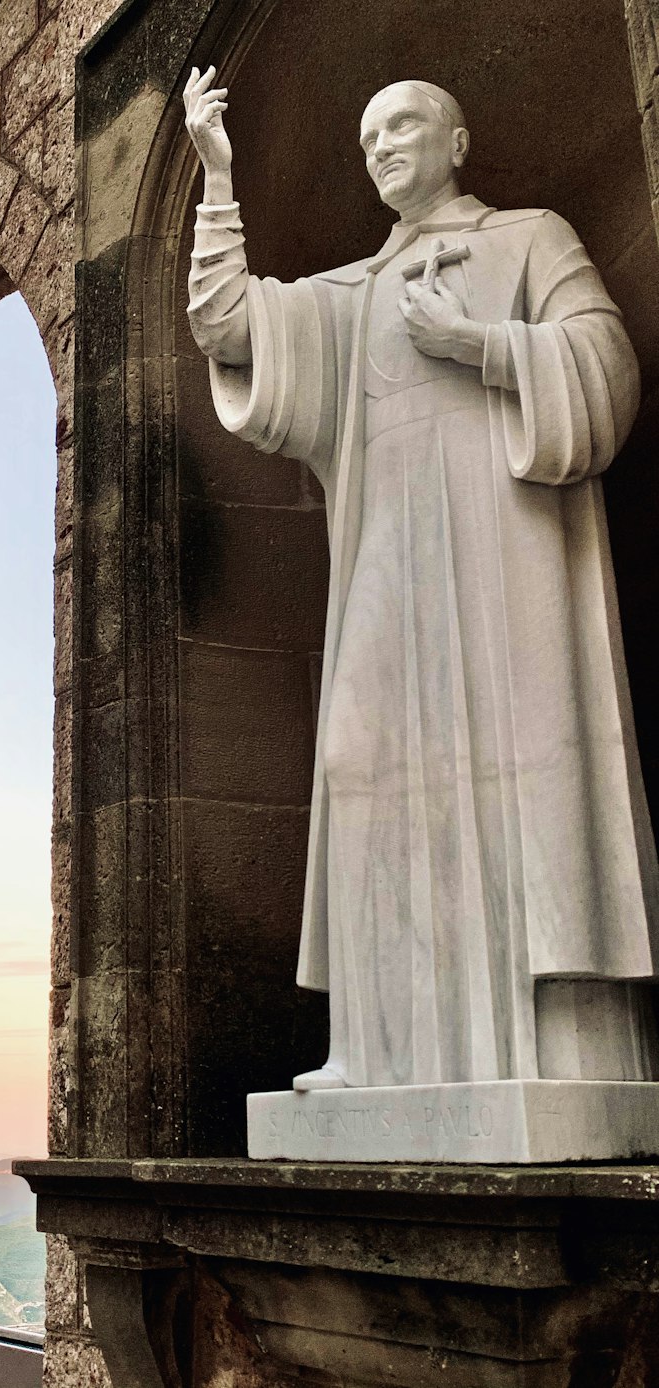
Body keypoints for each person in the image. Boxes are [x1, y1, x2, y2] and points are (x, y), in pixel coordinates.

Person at [184, 72, 659, 1091]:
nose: (382, 145)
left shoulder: (530, 237)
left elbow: (606, 364)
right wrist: (218, 180)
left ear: (457, 140)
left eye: (402, 123)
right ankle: (379, 1039)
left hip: (509, 552)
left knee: (532, 762)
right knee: (359, 763)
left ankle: (556, 1047)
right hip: (387, 556)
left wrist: (481, 346)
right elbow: (224, 326)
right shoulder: (352, 295)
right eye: (365, 136)